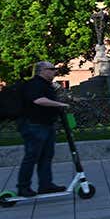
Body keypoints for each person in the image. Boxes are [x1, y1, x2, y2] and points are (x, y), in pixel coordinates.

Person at [17, 61, 70, 197]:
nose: (54, 71)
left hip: (46, 125)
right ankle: (23, 187)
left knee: (46, 156)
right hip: (34, 125)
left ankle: (45, 185)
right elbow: (38, 100)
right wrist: (60, 104)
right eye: (51, 69)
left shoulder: (48, 85)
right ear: (42, 71)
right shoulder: (34, 84)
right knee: (32, 157)